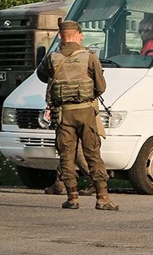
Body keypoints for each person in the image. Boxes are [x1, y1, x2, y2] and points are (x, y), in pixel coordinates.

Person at [37, 20, 118, 211]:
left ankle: (72, 198)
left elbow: (42, 76)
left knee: (66, 156)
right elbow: (101, 87)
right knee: (93, 154)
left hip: (63, 114)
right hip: (86, 113)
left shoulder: (52, 58)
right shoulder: (89, 57)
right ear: (78, 34)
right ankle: (102, 198)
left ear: (60, 36)